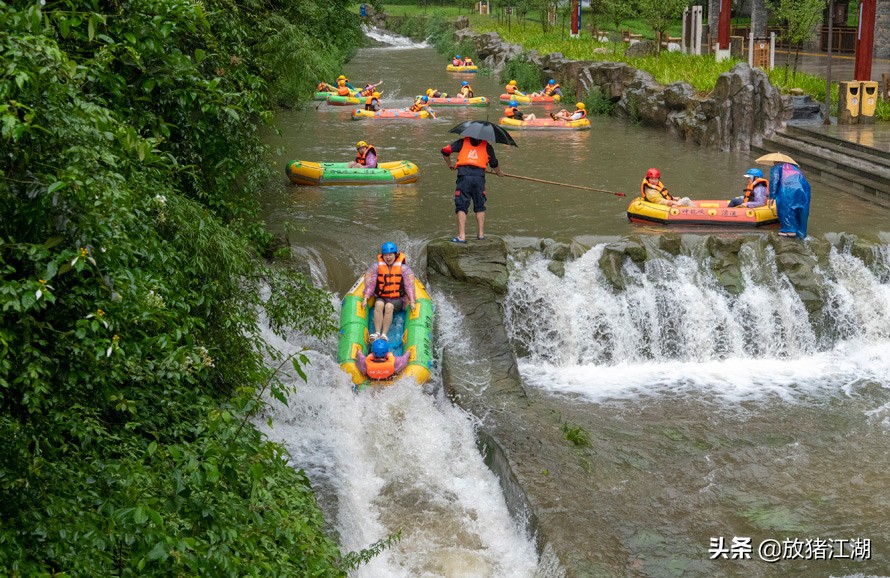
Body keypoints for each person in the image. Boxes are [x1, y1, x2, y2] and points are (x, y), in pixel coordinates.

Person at [441, 133, 504, 242]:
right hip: (479, 179)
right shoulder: (487, 146)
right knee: (479, 205)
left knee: (461, 205)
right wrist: (499, 173)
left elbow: (445, 151)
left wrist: (450, 164)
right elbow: (493, 163)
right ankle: (481, 235)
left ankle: (461, 236)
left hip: (464, 178)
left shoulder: (461, 142)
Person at [362, 242, 417, 341]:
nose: (388, 258)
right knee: (378, 304)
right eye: (386, 255)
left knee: (389, 306)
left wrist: (412, 301)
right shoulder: (376, 267)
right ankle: (377, 333)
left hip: (397, 299)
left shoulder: (404, 269)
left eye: (390, 255)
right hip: (382, 296)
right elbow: (371, 283)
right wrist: (366, 297)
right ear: (382, 256)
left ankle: (384, 334)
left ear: (395, 255)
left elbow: (409, 286)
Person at [770, 161, 811, 238]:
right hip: (805, 190)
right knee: (802, 210)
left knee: (785, 209)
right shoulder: (795, 168)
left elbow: (774, 181)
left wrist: (772, 196)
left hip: (788, 189)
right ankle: (802, 232)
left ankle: (789, 230)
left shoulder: (776, 168)